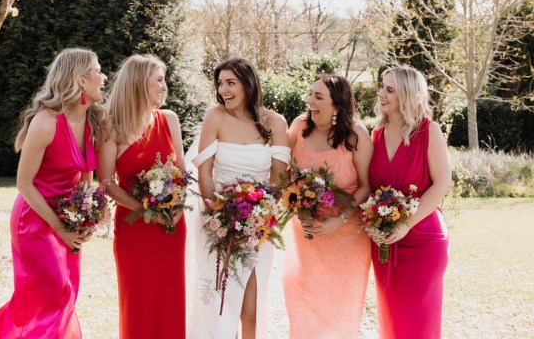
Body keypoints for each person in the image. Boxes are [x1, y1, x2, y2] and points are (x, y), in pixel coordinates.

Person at [0, 48, 107, 339]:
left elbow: (85, 181)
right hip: (35, 221)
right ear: (82, 80)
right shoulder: (45, 122)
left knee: (65, 294)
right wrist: (59, 227)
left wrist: (86, 221)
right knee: (56, 293)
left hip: (68, 220)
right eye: (98, 71)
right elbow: (24, 183)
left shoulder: (92, 122)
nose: (104, 77)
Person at [187, 58, 290, 339]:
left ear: (248, 84)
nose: (223, 90)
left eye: (230, 83)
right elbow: (205, 172)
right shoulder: (215, 117)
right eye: (220, 84)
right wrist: (220, 215)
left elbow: (278, 180)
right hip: (216, 222)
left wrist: (255, 219)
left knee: (250, 309)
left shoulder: (275, 122)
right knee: (218, 305)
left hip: (259, 227)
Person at [96, 54, 187, 339]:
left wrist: (177, 207)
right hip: (134, 228)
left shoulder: (169, 119)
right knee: (136, 299)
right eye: (158, 80)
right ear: (138, 83)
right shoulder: (111, 125)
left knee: (170, 299)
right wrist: (145, 209)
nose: (164, 87)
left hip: (171, 228)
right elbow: (107, 182)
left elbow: (182, 173)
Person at [282, 74, 373, 339]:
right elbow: (283, 171)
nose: (311, 101)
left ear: (338, 105)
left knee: (339, 310)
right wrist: (297, 207)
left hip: (346, 238)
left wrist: (340, 219)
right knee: (303, 302)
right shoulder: (298, 126)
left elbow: (366, 185)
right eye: (310, 94)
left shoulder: (356, 134)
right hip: (307, 236)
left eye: (319, 97)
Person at [369, 66, 451, 339]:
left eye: (390, 89)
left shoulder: (429, 130)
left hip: (423, 240)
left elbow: (441, 184)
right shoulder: (376, 135)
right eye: (382, 86)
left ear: (407, 95)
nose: (381, 93)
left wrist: (406, 224)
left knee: (420, 324)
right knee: (392, 320)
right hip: (384, 241)